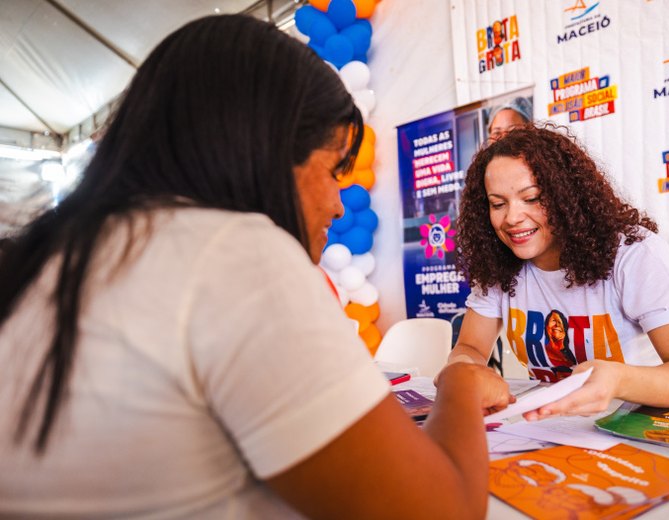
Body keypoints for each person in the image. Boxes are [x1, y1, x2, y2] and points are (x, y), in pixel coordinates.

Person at [0, 15, 513, 518]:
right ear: (263, 149)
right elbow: (437, 509)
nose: (339, 205)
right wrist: (461, 386)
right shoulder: (231, 252)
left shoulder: (59, 253)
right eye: (334, 170)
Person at [447, 123, 669, 420]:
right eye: (497, 204)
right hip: (552, 431)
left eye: (532, 198)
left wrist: (619, 380)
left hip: (635, 429)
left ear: (567, 195)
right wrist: (464, 370)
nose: (512, 218)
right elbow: (470, 346)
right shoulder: (500, 261)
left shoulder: (633, 252)